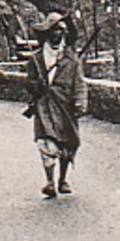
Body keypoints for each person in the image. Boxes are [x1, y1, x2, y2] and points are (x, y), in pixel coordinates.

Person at [23, 12, 87, 198]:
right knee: (46, 144)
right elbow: (29, 82)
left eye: (61, 31)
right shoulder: (36, 59)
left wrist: (80, 103)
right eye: (54, 30)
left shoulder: (72, 60)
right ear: (47, 34)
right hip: (44, 106)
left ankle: (63, 179)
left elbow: (80, 83)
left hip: (65, 106)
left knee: (67, 144)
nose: (58, 34)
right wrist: (36, 86)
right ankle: (50, 181)